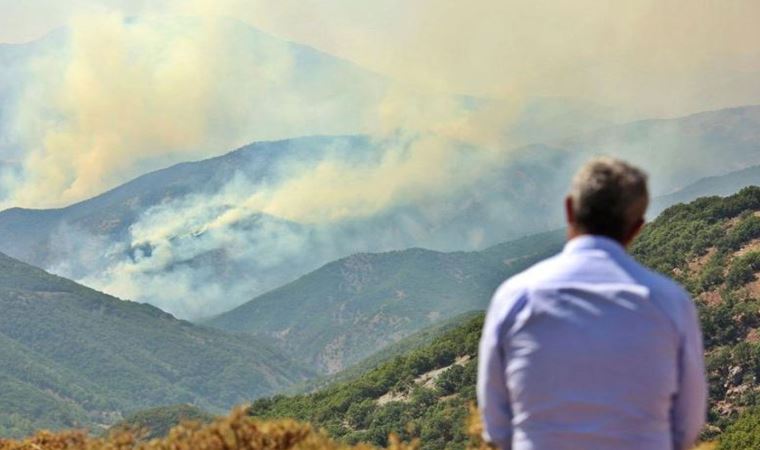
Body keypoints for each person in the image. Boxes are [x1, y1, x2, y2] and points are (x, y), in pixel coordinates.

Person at [477, 157, 707, 450]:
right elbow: (687, 427)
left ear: (569, 209)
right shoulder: (670, 302)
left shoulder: (515, 297)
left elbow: (497, 427)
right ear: (637, 227)